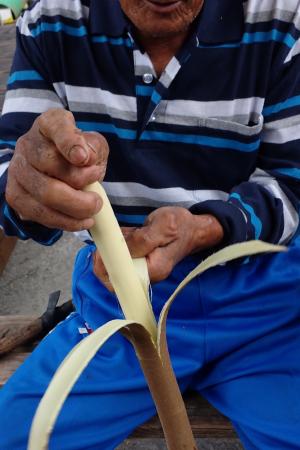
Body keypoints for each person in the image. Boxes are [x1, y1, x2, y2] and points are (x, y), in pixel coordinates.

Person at [0, 0, 300, 448]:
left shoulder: (282, 18)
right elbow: (12, 174)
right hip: (118, 304)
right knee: (20, 437)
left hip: (265, 307)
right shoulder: (52, 20)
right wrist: (31, 184)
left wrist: (203, 228)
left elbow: (291, 180)